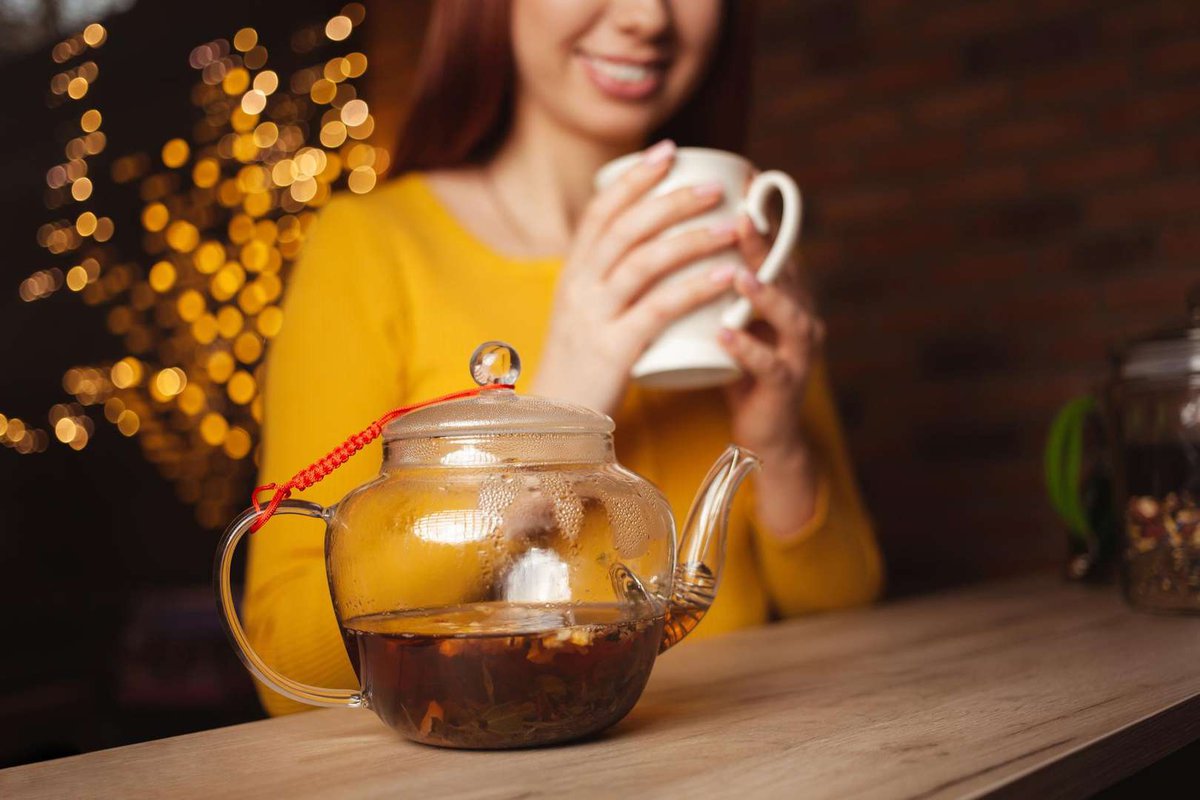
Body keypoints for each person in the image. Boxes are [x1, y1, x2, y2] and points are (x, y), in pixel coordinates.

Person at [245, 0, 882, 716]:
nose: (648, 17)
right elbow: (289, 674)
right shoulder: (369, 250)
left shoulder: (739, 251)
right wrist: (552, 421)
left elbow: (847, 607)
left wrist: (779, 441)